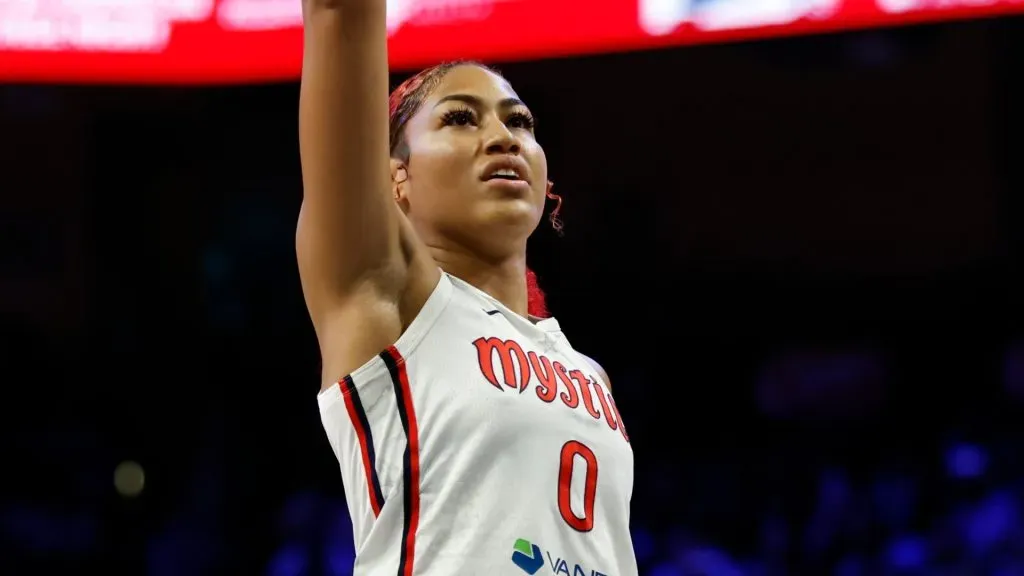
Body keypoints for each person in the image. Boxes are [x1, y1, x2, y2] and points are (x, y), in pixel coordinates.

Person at [297, 1, 637, 573]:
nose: (504, 137)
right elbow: (340, 13)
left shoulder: (588, 373)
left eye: (520, 121)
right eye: (460, 118)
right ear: (393, 176)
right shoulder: (389, 296)